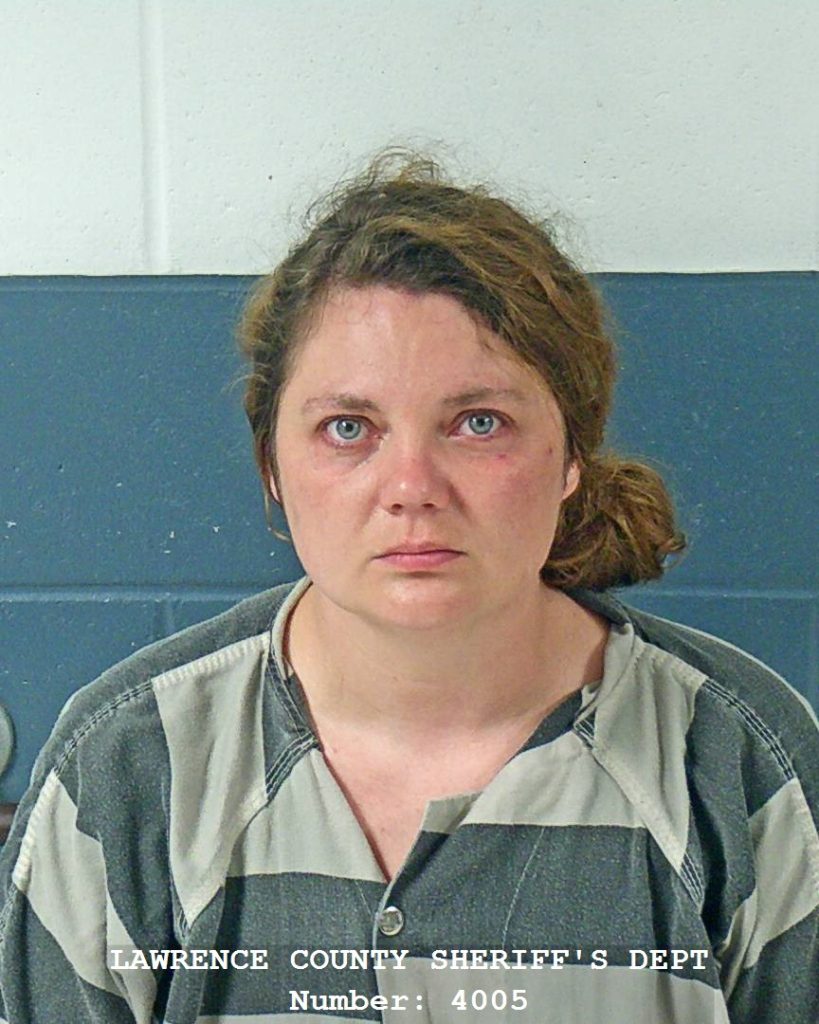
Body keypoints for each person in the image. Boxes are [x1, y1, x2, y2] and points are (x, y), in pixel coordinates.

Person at [0, 153, 816, 1024]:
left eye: (478, 423)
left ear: (572, 455)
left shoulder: (737, 762)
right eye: (348, 427)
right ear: (271, 464)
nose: (412, 487)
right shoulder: (130, 765)